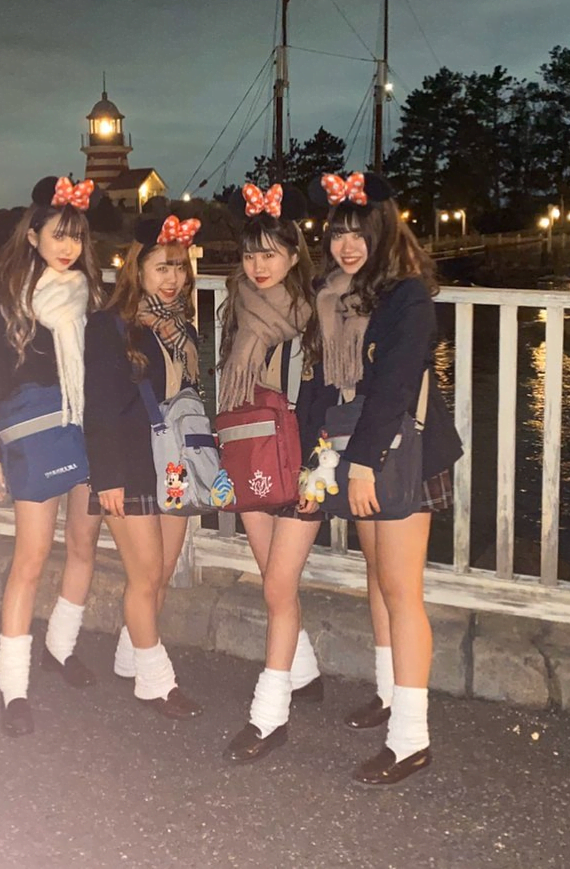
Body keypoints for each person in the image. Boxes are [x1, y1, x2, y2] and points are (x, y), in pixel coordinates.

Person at [303, 170, 462, 784]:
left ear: (383, 232)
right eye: (338, 234)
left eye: (359, 234)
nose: (347, 246)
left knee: (401, 590)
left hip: (398, 454)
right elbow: (327, 385)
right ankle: (389, 691)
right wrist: (324, 456)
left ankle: (411, 738)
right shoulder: (336, 293)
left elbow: (395, 386)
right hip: (357, 447)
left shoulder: (406, 295)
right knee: (377, 576)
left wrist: (363, 464)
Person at [0, 175, 106, 737]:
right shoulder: (4, 296)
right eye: (58, 235)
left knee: (83, 547)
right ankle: (14, 687)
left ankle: (61, 648)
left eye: (77, 236)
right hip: (33, 434)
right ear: (33, 236)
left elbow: (104, 371)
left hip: (87, 428)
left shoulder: (90, 293)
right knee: (30, 558)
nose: (68, 246)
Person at [218, 183, 326, 763]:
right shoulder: (235, 308)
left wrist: (318, 474)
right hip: (253, 454)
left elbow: (327, 400)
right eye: (250, 253)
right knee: (271, 579)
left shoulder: (316, 314)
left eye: (271, 254)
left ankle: (268, 716)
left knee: (278, 588)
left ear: (293, 255)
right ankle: (304, 673)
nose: (258, 265)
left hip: (304, 463)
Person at [83, 214, 205, 721]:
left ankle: (129, 656)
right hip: (129, 465)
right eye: (161, 267)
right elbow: (98, 406)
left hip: (173, 463)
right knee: (146, 573)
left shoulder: (183, 328)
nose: (172, 278)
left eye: (179, 267)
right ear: (137, 270)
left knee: (164, 572)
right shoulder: (110, 325)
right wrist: (106, 477)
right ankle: (156, 683)